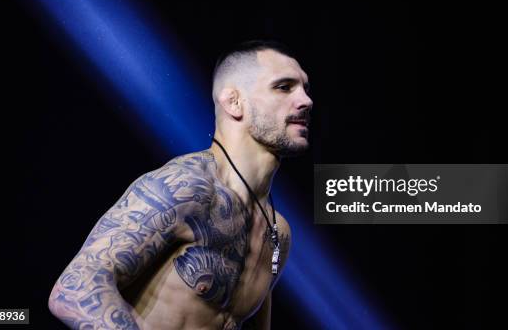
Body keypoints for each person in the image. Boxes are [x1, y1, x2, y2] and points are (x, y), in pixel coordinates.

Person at [48, 40, 313, 329]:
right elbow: (74, 291)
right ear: (234, 102)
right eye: (284, 87)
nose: (306, 101)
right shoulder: (185, 186)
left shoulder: (278, 232)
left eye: (305, 88)